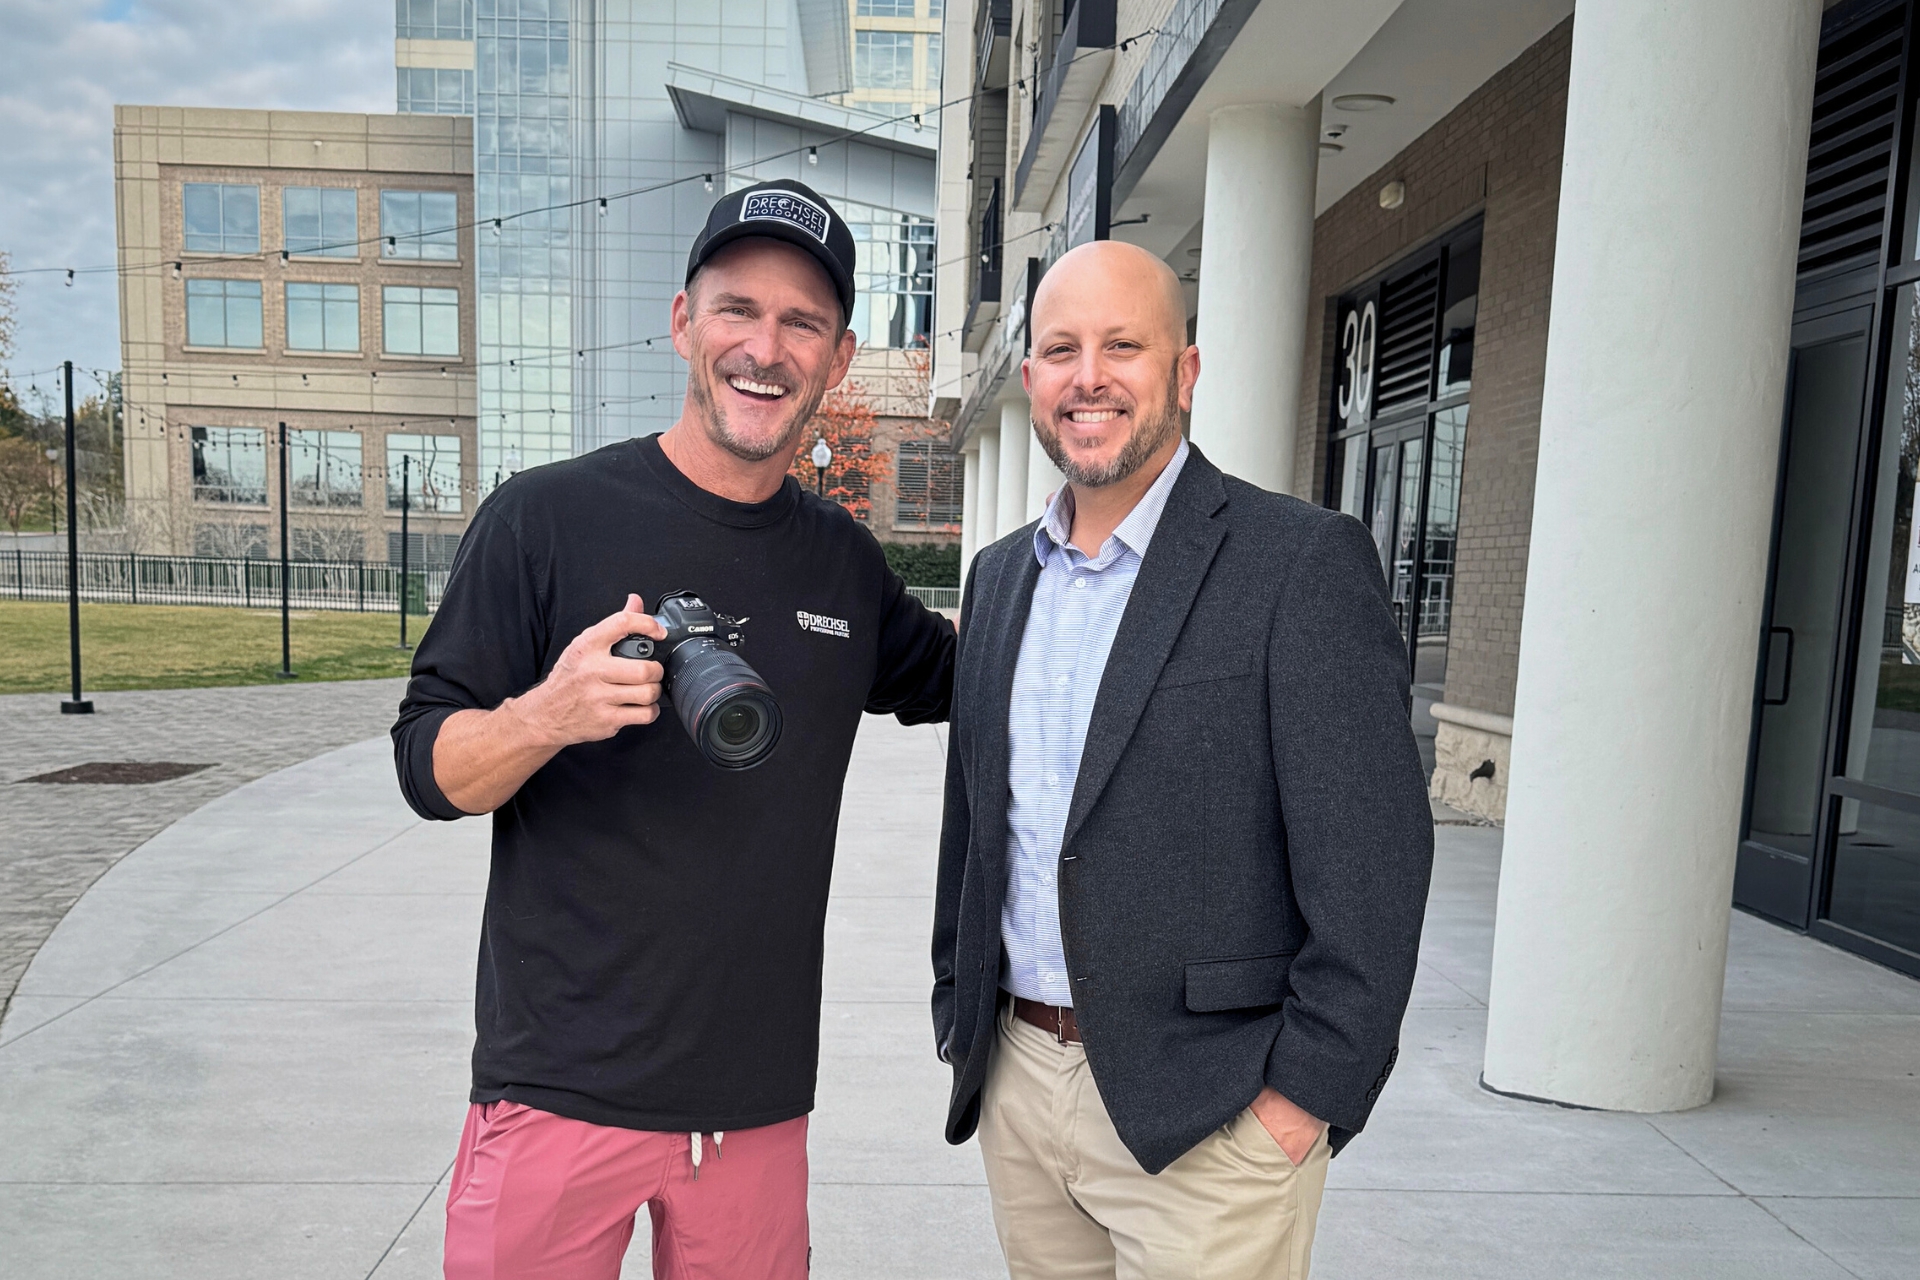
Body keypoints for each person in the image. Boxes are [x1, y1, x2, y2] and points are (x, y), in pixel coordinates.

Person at [392, 178, 955, 1280]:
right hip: (557, 1087)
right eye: (737, 308)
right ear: (682, 321)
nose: (766, 346)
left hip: (752, 1102)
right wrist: (548, 713)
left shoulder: (843, 561)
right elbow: (428, 768)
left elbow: (985, 679)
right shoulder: (545, 517)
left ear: (838, 360)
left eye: (804, 322)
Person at [930, 240, 1433, 1279]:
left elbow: (1372, 866)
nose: (1090, 375)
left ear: (1185, 371)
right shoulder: (997, 579)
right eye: (1062, 349)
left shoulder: (1297, 563)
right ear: (1030, 383)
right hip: (1021, 1083)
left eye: (1125, 344)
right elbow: (980, 822)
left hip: (1216, 1114)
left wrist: (1304, 1097)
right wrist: (960, 1005)